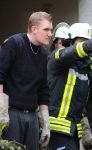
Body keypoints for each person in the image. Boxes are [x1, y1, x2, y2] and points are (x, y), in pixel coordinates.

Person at [0, 11, 52, 150]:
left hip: (32, 117)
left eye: (51, 30)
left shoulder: (43, 53)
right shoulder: (14, 44)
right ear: (34, 29)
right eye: (46, 29)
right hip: (11, 113)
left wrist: (45, 123)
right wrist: (1, 111)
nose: (50, 34)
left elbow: (43, 89)